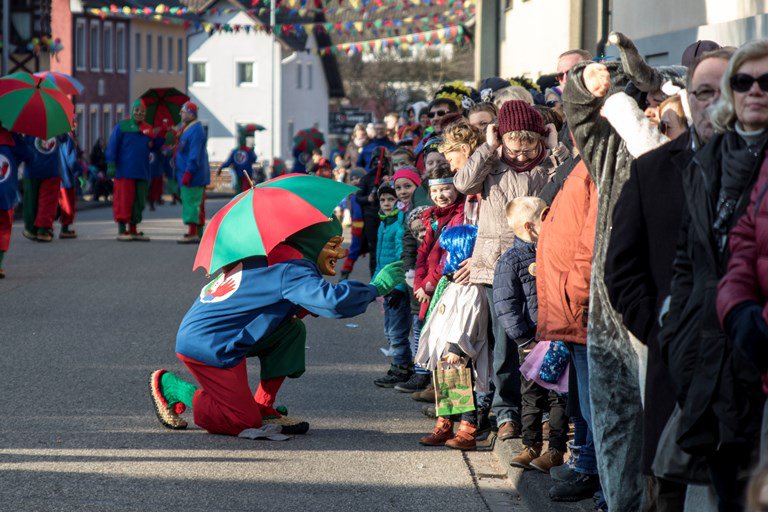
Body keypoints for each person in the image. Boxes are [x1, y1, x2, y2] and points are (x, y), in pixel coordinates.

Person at [604, 48, 733, 511]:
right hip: (676, 384)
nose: (714, 104)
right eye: (703, 92)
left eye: (728, 91)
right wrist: (662, 333)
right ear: (687, 99)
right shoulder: (651, 170)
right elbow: (621, 269)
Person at [149, 218, 406, 437]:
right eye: (333, 245)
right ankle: (173, 387)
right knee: (242, 422)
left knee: (291, 331)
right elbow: (332, 302)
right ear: (310, 245)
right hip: (208, 346)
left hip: (225, 337)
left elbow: (294, 304)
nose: (340, 254)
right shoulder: (291, 269)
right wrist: (374, 288)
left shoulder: (273, 254)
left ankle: (264, 407)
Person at [660, 40, 768, 511]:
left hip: (757, 352)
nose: (756, 92)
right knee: (727, 494)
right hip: (706, 353)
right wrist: (675, 336)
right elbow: (688, 261)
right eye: (743, 82)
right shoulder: (707, 162)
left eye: (767, 82)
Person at [454, 99, 569, 443]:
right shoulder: (490, 165)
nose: (521, 156)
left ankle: (545, 409)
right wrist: (488, 147)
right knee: (503, 344)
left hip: (540, 262)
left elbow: (575, 178)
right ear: (501, 139)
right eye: (513, 148)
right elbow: (462, 184)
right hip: (495, 266)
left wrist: (555, 147)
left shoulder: (549, 163)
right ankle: (507, 413)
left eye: (529, 147)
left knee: (541, 336)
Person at [494, 196, 569, 473]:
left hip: (558, 337)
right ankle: (531, 446)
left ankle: (556, 450)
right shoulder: (511, 260)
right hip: (531, 342)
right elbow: (505, 304)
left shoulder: (555, 250)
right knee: (531, 397)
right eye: (545, 218)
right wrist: (523, 340)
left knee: (559, 396)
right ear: (530, 226)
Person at [416, 224, 488, 451]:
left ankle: (468, 430)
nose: (445, 256)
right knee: (448, 386)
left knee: (464, 387)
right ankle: (445, 424)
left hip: (460, 348)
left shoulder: (472, 288)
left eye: (449, 252)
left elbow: (468, 319)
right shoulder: (454, 282)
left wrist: (456, 348)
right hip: (444, 346)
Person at [372, 184, 413, 387]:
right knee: (389, 330)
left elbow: (400, 257)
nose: (387, 204)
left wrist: (398, 287)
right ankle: (398, 364)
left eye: (391, 199)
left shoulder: (399, 223)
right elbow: (380, 259)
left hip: (398, 287)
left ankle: (402, 367)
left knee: (397, 331)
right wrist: (376, 284)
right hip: (386, 286)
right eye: (383, 200)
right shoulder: (384, 223)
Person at [106, 99, 162, 241]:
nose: (139, 113)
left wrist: (162, 134)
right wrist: (111, 165)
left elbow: (154, 147)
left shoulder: (147, 129)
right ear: (132, 111)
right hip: (125, 172)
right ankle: (122, 229)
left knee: (139, 202)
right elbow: (112, 146)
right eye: (137, 110)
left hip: (142, 172)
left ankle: (133, 228)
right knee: (124, 200)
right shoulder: (122, 127)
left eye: (142, 111)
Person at [175, 101, 210, 244]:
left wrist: (188, 172)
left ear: (190, 113)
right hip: (189, 172)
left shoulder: (195, 130)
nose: (181, 114)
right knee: (196, 203)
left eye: (183, 112)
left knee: (192, 203)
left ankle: (193, 232)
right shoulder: (188, 128)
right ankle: (198, 232)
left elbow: (194, 154)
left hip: (193, 175)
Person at [356, 149, 392, 276]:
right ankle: (374, 278)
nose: (379, 164)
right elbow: (358, 197)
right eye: (376, 161)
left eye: (381, 161)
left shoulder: (389, 176)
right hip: (371, 217)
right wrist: (368, 199)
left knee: (388, 248)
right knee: (374, 248)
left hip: (387, 217)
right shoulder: (366, 178)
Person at [0, 128, 25, 277]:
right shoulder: (12, 136)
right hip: (6, 190)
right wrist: (14, 162)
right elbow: (28, 154)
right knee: (4, 226)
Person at [339, 168, 366, 281]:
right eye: (352, 179)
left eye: (358, 178)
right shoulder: (352, 195)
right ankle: (344, 273)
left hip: (367, 225)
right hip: (357, 227)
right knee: (354, 250)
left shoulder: (364, 193)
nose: (355, 181)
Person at [57, 131, 79, 239]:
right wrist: (77, 172)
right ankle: (64, 229)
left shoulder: (48, 138)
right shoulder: (66, 139)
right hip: (66, 178)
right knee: (67, 205)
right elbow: (71, 159)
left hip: (52, 177)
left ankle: (45, 228)